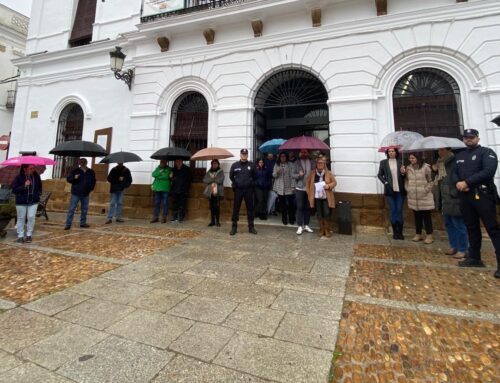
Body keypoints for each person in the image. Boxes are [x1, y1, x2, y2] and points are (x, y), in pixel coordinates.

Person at [455, 128, 500, 278]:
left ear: (477, 139)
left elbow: (488, 171)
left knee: (492, 229)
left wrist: (467, 182)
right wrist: (458, 183)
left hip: (483, 195)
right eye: (466, 137)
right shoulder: (460, 155)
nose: (469, 139)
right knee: (471, 227)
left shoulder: (487, 153)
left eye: (472, 137)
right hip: (466, 197)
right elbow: (455, 173)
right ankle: (474, 257)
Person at [432, 147, 468, 259]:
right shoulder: (439, 163)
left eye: (442, 150)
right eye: (438, 150)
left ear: (448, 150)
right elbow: (438, 180)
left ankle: (464, 249)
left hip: (454, 198)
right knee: (449, 224)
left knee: (459, 224)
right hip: (443, 198)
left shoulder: (455, 161)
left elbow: (459, 177)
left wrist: (453, 192)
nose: (439, 152)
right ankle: (454, 246)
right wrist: (435, 171)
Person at [402, 153, 434, 244]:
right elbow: (407, 180)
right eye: (410, 158)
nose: (411, 160)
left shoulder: (425, 167)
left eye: (413, 158)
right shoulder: (408, 168)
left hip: (424, 196)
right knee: (417, 217)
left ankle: (429, 235)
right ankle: (418, 234)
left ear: (418, 158)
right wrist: (408, 188)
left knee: (426, 217)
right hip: (413, 197)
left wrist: (425, 190)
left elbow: (431, 180)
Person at [377, 147, 406, 240]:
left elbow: (404, 176)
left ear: (396, 152)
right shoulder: (383, 162)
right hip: (390, 191)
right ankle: (395, 232)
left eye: (393, 151)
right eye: (389, 151)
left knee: (399, 210)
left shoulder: (401, 162)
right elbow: (379, 174)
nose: (391, 152)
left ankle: (400, 232)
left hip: (400, 191)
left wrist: (403, 173)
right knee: (393, 210)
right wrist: (385, 182)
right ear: (387, 153)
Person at [306, 155, 337, 237]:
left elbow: (334, 182)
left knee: (326, 212)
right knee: (319, 213)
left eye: (322, 163)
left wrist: (329, 186)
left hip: (326, 197)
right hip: (316, 197)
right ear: (316, 164)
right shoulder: (312, 173)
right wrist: (309, 193)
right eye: (318, 163)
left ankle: (326, 229)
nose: (320, 164)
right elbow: (307, 183)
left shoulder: (328, 173)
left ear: (324, 164)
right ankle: (321, 229)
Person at [11, 164, 42, 243]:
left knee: (31, 217)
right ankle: (20, 236)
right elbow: (14, 190)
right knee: (21, 218)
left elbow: (40, 188)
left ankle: (29, 235)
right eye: (31, 168)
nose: (33, 170)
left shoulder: (36, 177)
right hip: (21, 201)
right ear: (25, 169)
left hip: (33, 201)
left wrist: (37, 195)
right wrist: (24, 186)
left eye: (33, 168)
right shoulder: (19, 177)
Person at [229, 148, 257, 235]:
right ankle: (234, 227)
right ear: (240, 155)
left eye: (245, 154)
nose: (244, 155)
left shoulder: (252, 165)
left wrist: (251, 183)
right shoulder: (235, 165)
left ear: (247, 155)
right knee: (236, 208)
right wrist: (236, 182)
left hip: (248, 190)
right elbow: (231, 176)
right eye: (242, 154)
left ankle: (251, 227)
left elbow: (255, 176)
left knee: (250, 209)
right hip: (238, 190)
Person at [64, 158, 96, 230]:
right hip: (76, 192)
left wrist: (91, 188)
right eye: (81, 162)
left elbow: (94, 181)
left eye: (84, 161)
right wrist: (74, 178)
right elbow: (68, 179)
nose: (83, 163)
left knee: (84, 209)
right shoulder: (75, 171)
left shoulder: (91, 171)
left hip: (86, 193)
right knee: (72, 209)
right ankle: (68, 224)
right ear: (79, 163)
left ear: (86, 162)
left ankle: (83, 223)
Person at [292, 149, 315, 235]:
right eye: (302, 152)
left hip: (309, 188)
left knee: (308, 207)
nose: (304, 153)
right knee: (300, 207)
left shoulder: (312, 162)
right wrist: (299, 175)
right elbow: (293, 175)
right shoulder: (296, 163)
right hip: (300, 188)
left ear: (308, 153)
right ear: (300, 153)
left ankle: (306, 225)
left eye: (305, 152)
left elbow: (315, 173)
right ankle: (299, 226)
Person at [273, 152, 296, 226]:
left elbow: (293, 176)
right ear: (279, 157)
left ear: (286, 157)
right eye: (281, 156)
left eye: (284, 156)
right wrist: (277, 172)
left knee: (291, 204)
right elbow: (273, 175)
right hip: (280, 187)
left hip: (289, 187)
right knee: (283, 205)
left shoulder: (290, 164)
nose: (283, 157)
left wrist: (293, 186)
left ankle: (292, 219)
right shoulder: (277, 164)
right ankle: (284, 219)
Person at [203, 159, 224, 227]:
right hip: (210, 192)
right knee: (211, 207)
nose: (214, 165)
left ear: (218, 164)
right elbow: (205, 180)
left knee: (217, 206)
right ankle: (212, 221)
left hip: (218, 192)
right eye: (213, 164)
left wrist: (213, 179)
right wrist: (212, 179)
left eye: (215, 164)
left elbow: (221, 180)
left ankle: (217, 221)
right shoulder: (209, 172)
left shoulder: (221, 171)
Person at [170, 158, 192, 223]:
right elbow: (170, 179)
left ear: (182, 162)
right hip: (175, 190)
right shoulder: (173, 169)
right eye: (176, 162)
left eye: (179, 161)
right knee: (175, 204)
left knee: (182, 205)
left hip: (183, 190)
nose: (178, 163)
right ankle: (174, 217)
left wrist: (187, 188)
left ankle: (181, 217)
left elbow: (190, 179)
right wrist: (171, 177)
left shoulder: (187, 169)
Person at [151, 159, 171, 223]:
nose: (162, 163)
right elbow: (153, 174)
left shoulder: (169, 169)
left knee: (165, 203)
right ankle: (155, 217)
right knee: (157, 203)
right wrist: (160, 172)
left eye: (163, 162)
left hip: (165, 188)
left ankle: (164, 217)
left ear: (166, 163)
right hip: (157, 188)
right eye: (161, 162)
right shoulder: (158, 168)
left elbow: (166, 176)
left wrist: (159, 176)